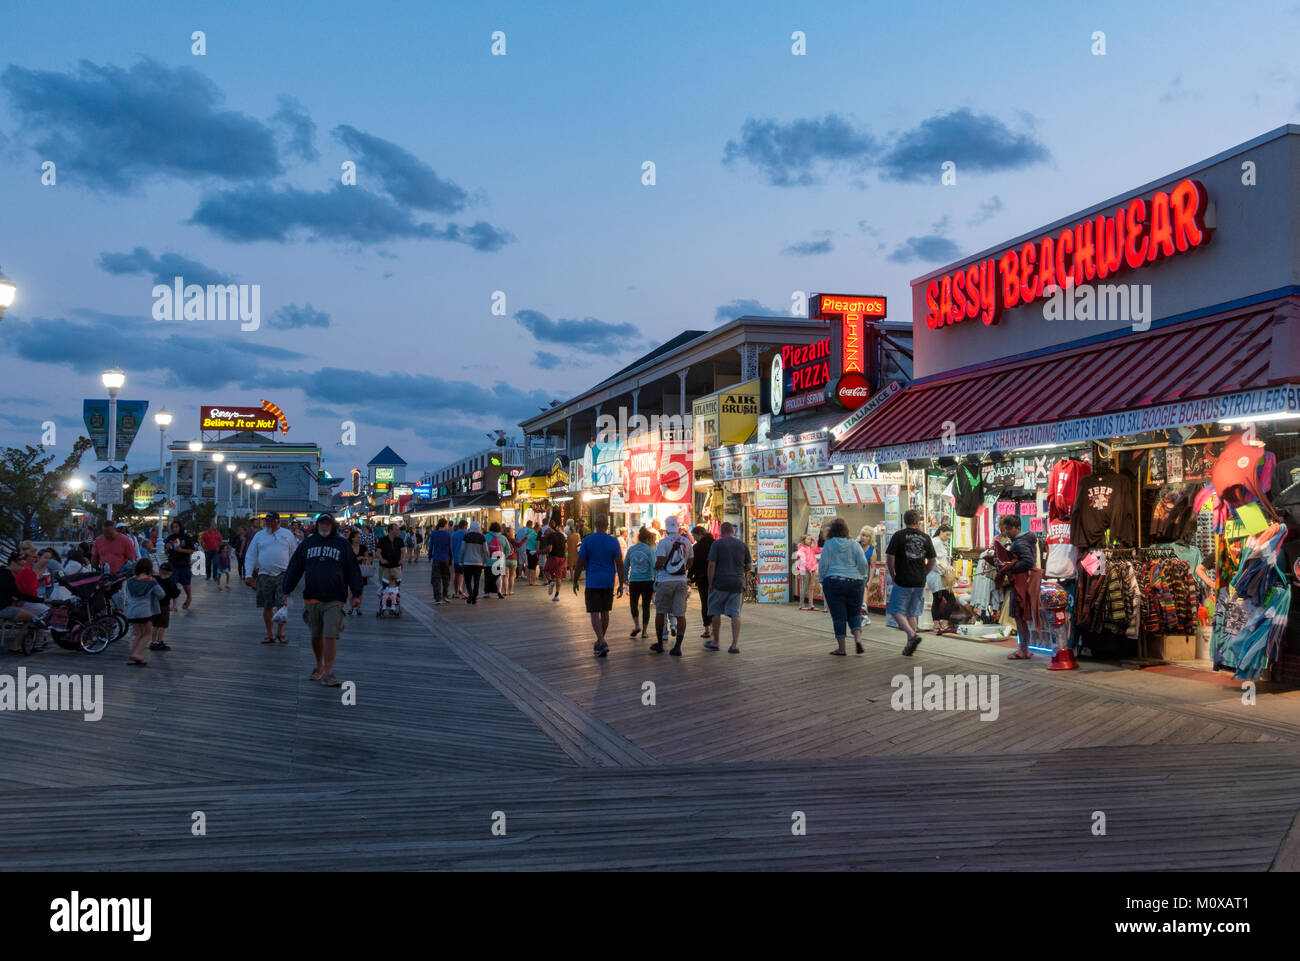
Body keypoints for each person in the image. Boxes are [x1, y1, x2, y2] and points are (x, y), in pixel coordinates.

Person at [281, 512, 364, 687]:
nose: (324, 527)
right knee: (316, 635)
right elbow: (295, 567)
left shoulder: (342, 544)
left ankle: (328, 672)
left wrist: (356, 593)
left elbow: (353, 570)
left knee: (330, 634)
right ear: (317, 525)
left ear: (333, 525)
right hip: (312, 597)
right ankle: (319, 664)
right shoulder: (308, 543)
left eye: (327, 524)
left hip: (335, 598)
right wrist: (286, 589)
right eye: (321, 524)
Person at [572, 515, 626, 656]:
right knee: (605, 611)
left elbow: (580, 562)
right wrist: (621, 583)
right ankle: (600, 641)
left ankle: (601, 641)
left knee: (594, 612)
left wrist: (575, 580)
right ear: (607, 525)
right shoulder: (613, 541)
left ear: (595, 524)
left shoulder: (588, 540)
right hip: (608, 581)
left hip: (593, 580)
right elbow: (619, 563)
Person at [887, 509, 936, 657]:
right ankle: (909, 645)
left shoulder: (898, 536)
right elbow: (933, 560)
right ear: (918, 522)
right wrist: (925, 572)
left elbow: (890, 557)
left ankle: (912, 635)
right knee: (912, 613)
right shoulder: (926, 537)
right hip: (919, 581)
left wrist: (893, 574)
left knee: (895, 610)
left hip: (903, 579)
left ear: (904, 520)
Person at [244, 511, 298, 645]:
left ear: (278, 521)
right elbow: (251, 555)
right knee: (267, 606)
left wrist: (293, 573)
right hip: (264, 574)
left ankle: (281, 632)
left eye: (270, 521)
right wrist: (248, 574)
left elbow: (294, 554)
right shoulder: (259, 535)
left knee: (282, 604)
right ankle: (270, 634)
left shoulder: (287, 535)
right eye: (266, 521)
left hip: (283, 574)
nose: (267, 523)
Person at [820, 518, 869, 656]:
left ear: (831, 531)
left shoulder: (829, 544)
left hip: (834, 581)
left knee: (839, 616)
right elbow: (863, 563)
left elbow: (823, 564)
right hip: (856, 582)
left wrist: (822, 579)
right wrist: (863, 577)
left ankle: (842, 649)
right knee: (854, 613)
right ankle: (858, 639)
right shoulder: (854, 544)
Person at [996, 514, 1039, 660]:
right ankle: (1024, 648)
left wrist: (1011, 567)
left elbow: (1027, 562)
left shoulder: (1019, 542)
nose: (1007, 532)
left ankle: (1023, 650)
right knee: (1021, 617)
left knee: (1020, 617)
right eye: (1006, 529)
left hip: (1021, 583)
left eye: (1009, 529)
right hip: (1024, 582)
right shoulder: (1025, 540)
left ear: (1018, 528)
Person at [706, 521, 751, 653]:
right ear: (733, 531)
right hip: (737, 583)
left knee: (715, 611)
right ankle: (735, 645)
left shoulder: (717, 544)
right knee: (735, 613)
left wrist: (710, 584)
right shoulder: (742, 545)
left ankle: (716, 642)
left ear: (721, 531)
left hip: (720, 583)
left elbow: (711, 565)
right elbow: (749, 567)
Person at [650, 515, 692, 655]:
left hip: (665, 580)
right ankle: (678, 647)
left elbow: (661, 560)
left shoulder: (663, 542)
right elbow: (691, 562)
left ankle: (660, 644)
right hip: (681, 581)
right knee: (680, 614)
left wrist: (656, 567)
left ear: (666, 528)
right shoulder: (687, 541)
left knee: (661, 611)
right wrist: (682, 568)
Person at [120, 557, 165, 666]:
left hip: (132, 611)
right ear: (149, 568)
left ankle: (133, 657)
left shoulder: (130, 580)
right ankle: (137, 654)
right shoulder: (151, 581)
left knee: (139, 634)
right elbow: (161, 594)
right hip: (145, 611)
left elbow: (127, 594)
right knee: (147, 634)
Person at [0, 550, 46, 651]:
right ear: (12, 563)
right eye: (20, 566)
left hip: (4, 606)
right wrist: (42, 600)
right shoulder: (8, 577)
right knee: (31, 618)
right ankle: (16, 645)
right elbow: (21, 596)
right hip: (3, 608)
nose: (22, 569)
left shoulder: (1, 571)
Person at [625, 526, 657, 638]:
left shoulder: (631, 549)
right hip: (648, 580)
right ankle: (644, 632)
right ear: (647, 539)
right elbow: (654, 566)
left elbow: (625, 566)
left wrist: (624, 579)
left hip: (634, 580)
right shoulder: (650, 550)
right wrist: (656, 580)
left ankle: (637, 625)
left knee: (633, 604)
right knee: (645, 606)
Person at [927, 523, 957, 634]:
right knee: (950, 599)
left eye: (949, 535)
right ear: (941, 532)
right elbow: (932, 558)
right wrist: (943, 566)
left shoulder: (937, 541)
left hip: (936, 575)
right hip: (937, 576)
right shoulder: (936, 542)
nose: (948, 537)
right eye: (947, 535)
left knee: (938, 599)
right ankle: (944, 623)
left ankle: (937, 624)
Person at [163, 520, 197, 610]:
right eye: (173, 527)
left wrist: (182, 550)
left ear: (180, 527)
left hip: (184, 563)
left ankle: (189, 597)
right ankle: (174, 605)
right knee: (173, 584)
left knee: (186, 585)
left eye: (176, 527)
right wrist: (166, 549)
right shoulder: (170, 538)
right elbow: (166, 552)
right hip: (173, 563)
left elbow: (192, 550)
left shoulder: (186, 537)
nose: (174, 529)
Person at [690, 525, 714, 638]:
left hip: (702, 579)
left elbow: (693, 566)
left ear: (699, 534)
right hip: (715, 578)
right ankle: (714, 627)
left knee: (705, 604)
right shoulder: (714, 544)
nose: (693, 538)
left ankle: (707, 629)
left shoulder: (697, 547)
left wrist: (689, 578)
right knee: (713, 603)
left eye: (694, 535)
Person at [151, 562, 181, 650]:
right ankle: (160, 642)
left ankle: (153, 642)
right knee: (163, 625)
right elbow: (175, 595)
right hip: (164, 607)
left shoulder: (154, 579)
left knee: (155, 625)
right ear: (171, 573)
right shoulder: (171, 583)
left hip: (154, 606)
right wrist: (175, 605)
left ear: (159, 571)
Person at [458, 520, 488, 604]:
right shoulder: (482, 537)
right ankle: (475, 596)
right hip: (478, 563)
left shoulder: (466, 536)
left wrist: (460, 561)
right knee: (476, 580)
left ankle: (470, 594)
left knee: (467, 580)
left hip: (467, 562)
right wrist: (485, 561)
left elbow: (462, 549)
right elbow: (486, 551)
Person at [428, 518, 453, 604]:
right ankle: (445, 595)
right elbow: (450, 548)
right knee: (446, 578)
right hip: (445, 559)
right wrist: (451, 559)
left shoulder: (433, 534)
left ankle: (437, 598)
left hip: (436, 558)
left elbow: (431, 546)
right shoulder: (448, 534)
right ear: (445, 525)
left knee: (436, 578)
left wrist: (429, 556)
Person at [544, 519, 569, 602]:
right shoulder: (562, 535)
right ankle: (556, 595)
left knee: (546, 571)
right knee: (559, 576)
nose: (545, 534)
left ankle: (550, 582)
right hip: (562, 558)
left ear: (550, 530)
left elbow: (550, 548)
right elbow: (566, 547)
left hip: (553, 557)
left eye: (546, 532)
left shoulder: (550, 536)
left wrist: (543, 552)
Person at [796, 534, 821, 611]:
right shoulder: (801, 549)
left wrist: (815, 541)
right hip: (806, 570)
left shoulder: (811, 548)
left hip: (812, 569)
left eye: (810, 539)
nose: (809, 541)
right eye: (808, 539)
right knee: (805, 587)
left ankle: (811, 605)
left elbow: (817, 550)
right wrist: (809, 569)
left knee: (811, 587)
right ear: (804, 540)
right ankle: (801, 605)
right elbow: (803, 561)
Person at [857, 525, 876, 624]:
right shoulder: (856, 545)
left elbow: (872, 566)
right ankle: (861, 614)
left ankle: (864, 614)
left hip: (864, 575)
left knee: (864, 589)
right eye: (863, 535)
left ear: (870, 538)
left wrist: (870, 580)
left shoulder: (872, 550)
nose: (864, 538)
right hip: (854, 574)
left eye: (867, 536)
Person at [377, 526, 404, 592]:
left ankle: (395, 600)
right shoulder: (382, 540)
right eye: (396, 530)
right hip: (385, 567)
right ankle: (384, 600)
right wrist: (382, 560)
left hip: (396, 566)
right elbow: (378, 552)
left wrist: (402, 560)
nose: (398, 531)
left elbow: (403, 551)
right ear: (390, 531)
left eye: (398, 530)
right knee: (384, 586)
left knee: (396, 586)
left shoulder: (399, 540)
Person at [451, 519, 469, 598]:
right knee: (465, 575)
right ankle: (463, 591)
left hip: (456, 557)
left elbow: (451, 547)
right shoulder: (468, 534)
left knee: (457, 574)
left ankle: (456, 592)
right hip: (466, 558)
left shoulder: (453, 534)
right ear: (465, 526)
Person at [519, 521, 539, 586]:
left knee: (528, 566)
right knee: (533, 567)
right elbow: (535, 543)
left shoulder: (528, 533)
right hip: (533, 550)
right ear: (537, 528)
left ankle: (529, 581)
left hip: (527, 549)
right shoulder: (534, 534)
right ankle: (533, 581)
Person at [502, 524, 518, 595]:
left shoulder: (502, 539)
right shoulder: (512, 540)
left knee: (505, 576)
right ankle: (510, 591)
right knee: (511, 576)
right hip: (513, 559)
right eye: (512, 531)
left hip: (504, 559)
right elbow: (519, 545)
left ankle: (505, 592)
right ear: (508, 532)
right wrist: (525, 539)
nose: (513, 533)